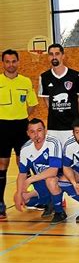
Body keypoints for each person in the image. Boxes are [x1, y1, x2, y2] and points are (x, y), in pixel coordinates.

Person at [0, 49, 38, 219]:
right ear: (3, 63)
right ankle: (0, 202)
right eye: (7, 61)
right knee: (2, 164)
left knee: (24, 163)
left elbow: (31, 105)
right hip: (2, 127)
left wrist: (21, 117)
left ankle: (30, 197)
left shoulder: (25, 81)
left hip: (21, 125)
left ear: (18, 62)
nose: (10, 64)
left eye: (13, 61)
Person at [14, 118, 67, 224]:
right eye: (32, 132)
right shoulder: (25, 149)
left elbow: (53, 171)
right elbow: (22, 174)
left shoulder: (53, 142)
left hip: (61, 178)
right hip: (41, 179)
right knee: (24, 198)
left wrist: (30, 180)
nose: (36, 134)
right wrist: (19, 193)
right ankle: (51, 201)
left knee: (50, 181)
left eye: (39, 130)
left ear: (45, 131)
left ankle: (59, 212)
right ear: (28, 133)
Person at [38, 43, 79, 145]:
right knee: (55, 157)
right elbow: (46, 100)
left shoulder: (76, 75)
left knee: (72, 158)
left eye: (57, 54)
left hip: (72, 127)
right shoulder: (44, 77)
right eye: (51, 54)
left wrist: (74, 114)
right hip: (53, 127)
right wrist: (56, 112)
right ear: (48, 57)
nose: (54, 57)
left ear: (63, 56)